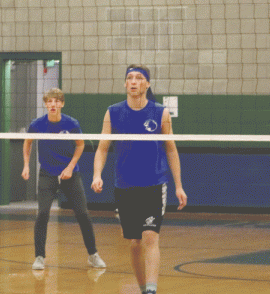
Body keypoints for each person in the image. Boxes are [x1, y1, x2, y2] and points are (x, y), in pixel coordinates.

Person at [92, 65, 186, 294]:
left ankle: (151, 291)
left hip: (154, 184)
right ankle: (143, 288)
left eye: (139, 78)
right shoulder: (112, 112)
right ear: (125, 84)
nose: (134, 81)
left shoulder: (160, 113)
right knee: (135, 243)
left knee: (150, 237)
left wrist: (179, 186)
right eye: (130, 78)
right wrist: (97, 174)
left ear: (147, 84)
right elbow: (103, 148)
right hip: (124, 185)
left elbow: (171, 149)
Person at [22, 87, 105, 270]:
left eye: (56, 101)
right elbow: (27, 143)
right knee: (42, 214)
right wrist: (27, 165)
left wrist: (70, 167)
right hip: (47, 174)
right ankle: (39, 257)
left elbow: (80, 145)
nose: (53, 104)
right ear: (45, 104)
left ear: (62, 103)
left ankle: (93, 254)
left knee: (83, 214)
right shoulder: (37, 124)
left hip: (70, 174)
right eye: (49, 101)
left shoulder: (71, 123)